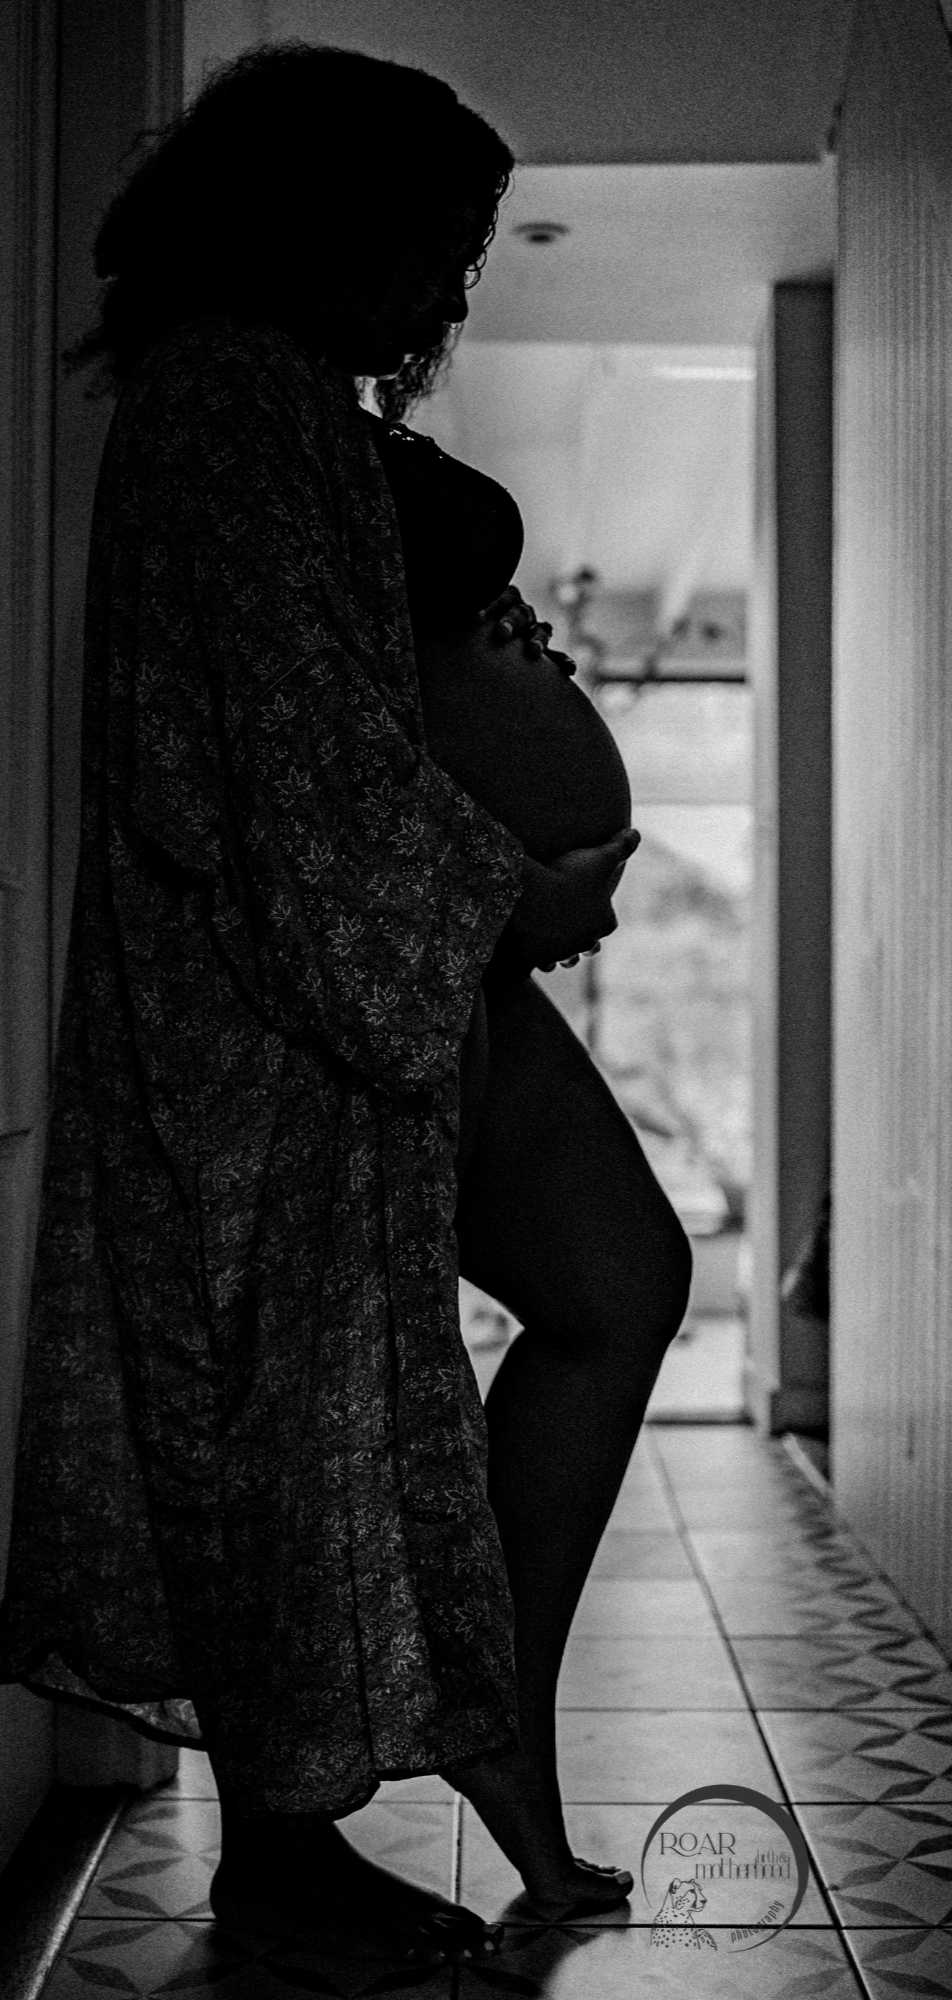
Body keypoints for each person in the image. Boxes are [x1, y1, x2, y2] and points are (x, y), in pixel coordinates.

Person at [0, 43, 692, 1964]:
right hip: (306, 1001)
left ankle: (490, 1740)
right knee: (289, 1422)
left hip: (410, 967)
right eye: (435, 244)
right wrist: (507, 886)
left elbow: (354, 683)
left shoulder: (284, 404)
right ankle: (297, 1856)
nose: (453, 291)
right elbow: (283, 762)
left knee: (620, 1283)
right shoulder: (226, 406)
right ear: (326, 218)